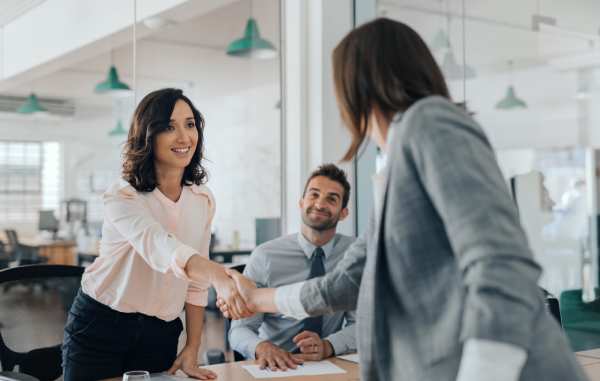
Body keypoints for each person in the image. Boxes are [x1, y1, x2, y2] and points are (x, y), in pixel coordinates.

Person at [218, 18, 587, 381]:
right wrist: (258, 298)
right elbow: (346, 284)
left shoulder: (430, 122)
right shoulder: (395, 166)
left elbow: (501, 264)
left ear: (358, 84)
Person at [62, 88, 250, 381]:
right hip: (102, 325)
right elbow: (161, 247)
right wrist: (219, 276)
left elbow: (194, 284)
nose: (184, 137)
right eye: (169, 127)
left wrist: (192, 345)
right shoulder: (123, 196)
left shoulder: (202, 200)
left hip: (160, 331)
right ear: (148, 135)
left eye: (190, 124)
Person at [229, 164, 357, 370]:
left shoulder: (354, 254)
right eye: (314, 195)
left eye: (331, 199)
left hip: (329, 364)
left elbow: (363, 323)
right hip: (275, 366)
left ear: (343, 213)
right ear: (301, 202)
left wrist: (328, 346)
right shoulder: (265, 256)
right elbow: (240, 330)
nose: (320, 204)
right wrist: (262, 347)